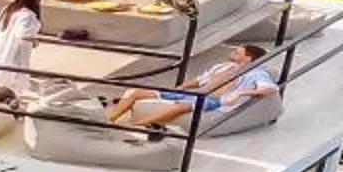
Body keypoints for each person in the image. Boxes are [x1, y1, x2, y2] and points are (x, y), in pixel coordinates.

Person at [102, 42, 280, 132]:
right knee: (135, 92)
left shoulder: (255, 73)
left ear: (248, 58)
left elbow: (270, 89)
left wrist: (242, 91)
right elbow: (198, 80)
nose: (232, 53)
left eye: (237, 52)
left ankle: (138, 126)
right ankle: (110, 119)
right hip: (195, 93)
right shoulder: (223, 66)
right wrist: (179, 88)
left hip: (213, 100)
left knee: (182, 106)